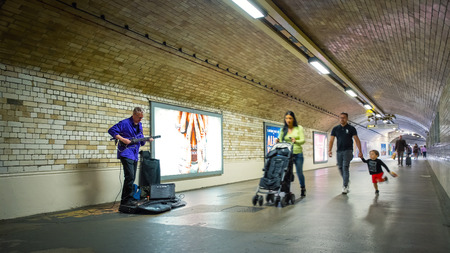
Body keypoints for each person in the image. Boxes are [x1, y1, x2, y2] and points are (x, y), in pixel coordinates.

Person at [108, 107, 153, 207]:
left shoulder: (139, 125)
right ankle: (125, 200)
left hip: (134, 154)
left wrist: (146, 139)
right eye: (139, 117)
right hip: (126, 152)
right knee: (129, 177)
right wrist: (123, 139)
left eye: (142, 118)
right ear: (134, 115)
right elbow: (111, 130)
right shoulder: (124, 123)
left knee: (131, 178)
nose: (141, 119)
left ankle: (130, 198)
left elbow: (141, 141)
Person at [328, 112, 363, 194]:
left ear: (347, 119)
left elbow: (357, 140)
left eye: (343, 117)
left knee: (345, 167)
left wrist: (360, 151)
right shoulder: (335, 129)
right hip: (339, 151)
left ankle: (345, 186)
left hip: (348, 151)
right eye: (340, 117)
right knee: (340, 167)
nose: (342, 119)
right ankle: (346, 180)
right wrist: (329, 150)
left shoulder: (351, 128)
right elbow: (331, 140)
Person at [276, 111, 306, 197]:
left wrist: (295, 141)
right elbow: (281, 140)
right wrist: (278, 141)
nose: (288, 120)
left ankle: (303, 188)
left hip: (297, 153)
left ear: (293, 119)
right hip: (287, 153)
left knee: (299, 172)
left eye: (290, 118)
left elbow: (303, 140)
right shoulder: (283, 129)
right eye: (286, 118)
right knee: (286, 172)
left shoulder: (299, 128)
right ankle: (286, 190)